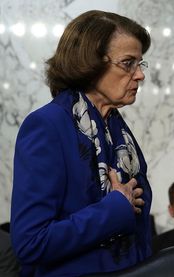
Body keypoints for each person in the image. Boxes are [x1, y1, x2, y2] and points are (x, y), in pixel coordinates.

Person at [11, 10, 153, 276]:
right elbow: (30, 243)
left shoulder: (118, 129)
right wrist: (113, 211)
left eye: (140, 64)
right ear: (91, 64)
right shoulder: (47, 125)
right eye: (127, 63)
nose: (139, 75)